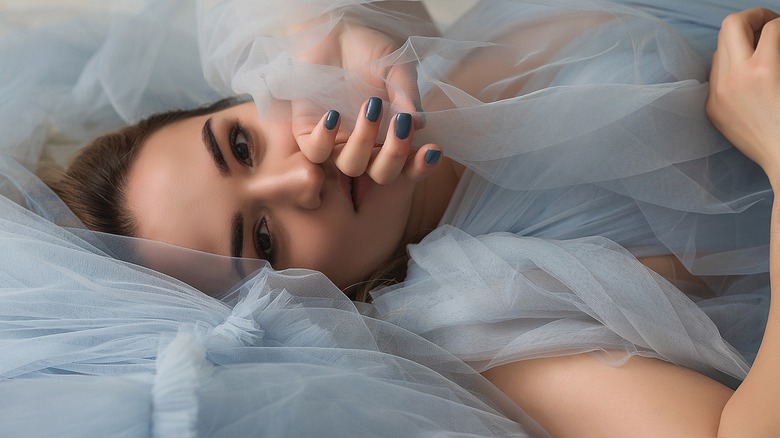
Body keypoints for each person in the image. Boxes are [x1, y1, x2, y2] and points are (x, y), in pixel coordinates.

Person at [2, 0, 778, 436]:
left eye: (240, 143)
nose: (300, 174)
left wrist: (340, 27)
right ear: (300, 303)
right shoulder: (487, 318)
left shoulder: (389, 62)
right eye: (263, 238)